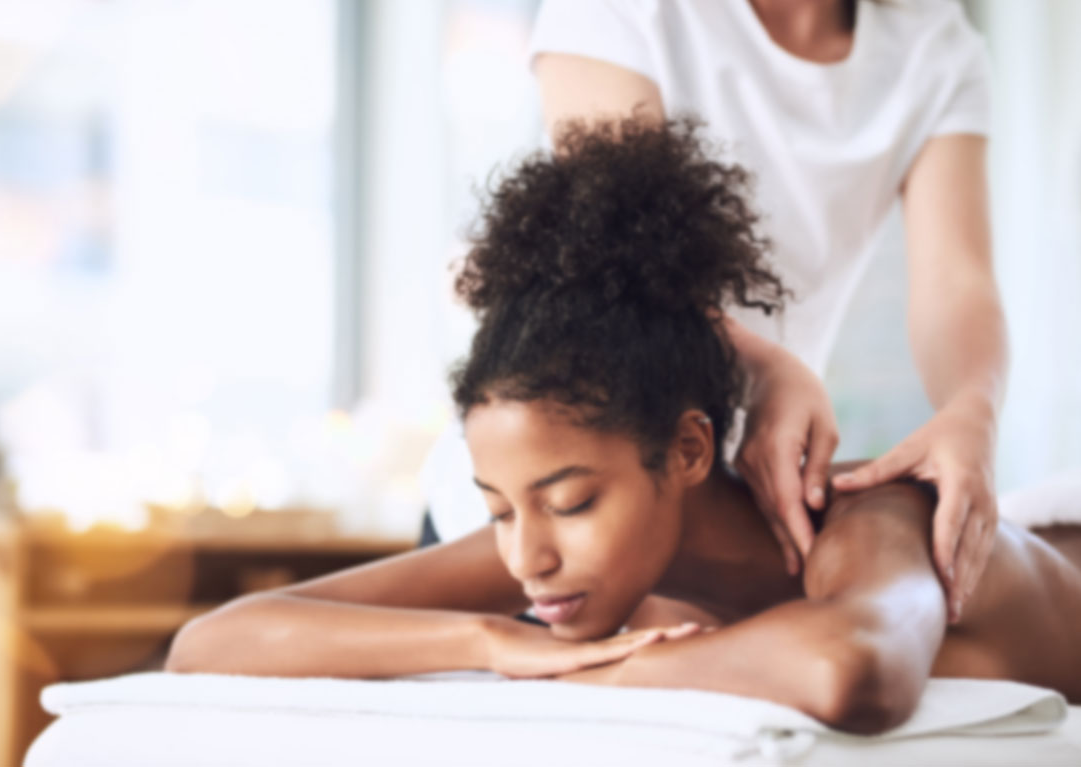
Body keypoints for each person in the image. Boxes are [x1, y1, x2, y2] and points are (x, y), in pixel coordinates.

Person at [165, 119, 1081, 735]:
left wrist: (576, 674)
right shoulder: (583, 556)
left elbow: (852, 668)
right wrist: (487, 644)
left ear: (690, 449)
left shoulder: (877, 519)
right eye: (497, 509)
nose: (526, 558)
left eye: (570, 501)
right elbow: (216, 641)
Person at [419, 0, 1009, 626]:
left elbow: (957, 279)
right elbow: (617, 239)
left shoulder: (935, 45)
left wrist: (972, 409)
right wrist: (761, 369)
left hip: (714, 518)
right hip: (546, 494)